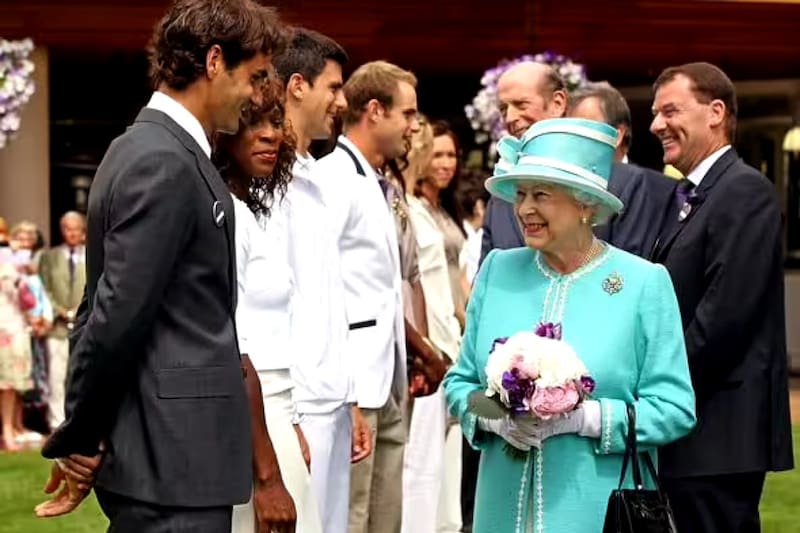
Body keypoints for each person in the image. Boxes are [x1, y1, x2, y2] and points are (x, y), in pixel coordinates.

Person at [36, 2, 294, 531]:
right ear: (215, 61)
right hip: (171, 465)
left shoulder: (164, 150)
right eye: (255, 77)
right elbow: (112, 314)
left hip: (179, 463)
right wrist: (82, 436)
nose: (256, 95)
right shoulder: (161, 158)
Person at [444, 117, 697, 532]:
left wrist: (587, 420)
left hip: (596, 512)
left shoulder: (642, 283)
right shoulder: (497, 271)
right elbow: (460, 385)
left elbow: (673, 409)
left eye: (541, 194)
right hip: (501, 513)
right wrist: (495, 419)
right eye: (520, 193)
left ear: (585, 204)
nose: (524, 208)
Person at [650, 62, 794, 533]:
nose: (657, 125)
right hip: (693, 432)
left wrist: (656, 385)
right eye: (654, 113)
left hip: (719, 435)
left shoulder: (743, 190)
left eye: (670, 110)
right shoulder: (690, 196)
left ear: (715, 112)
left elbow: (724, 318)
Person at [312, 60, 419, 533]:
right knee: (352, 518)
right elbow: (321, 283)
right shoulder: (333, 177)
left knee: (385, 520)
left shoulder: (378, 181)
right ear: (374, 110)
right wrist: (349, 391)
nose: (414, 126)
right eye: (408, 113)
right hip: (354, 383)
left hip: (389, 375)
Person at [215, 76, 320, 533]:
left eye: (276, 122)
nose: (270, 133)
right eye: (251, 121)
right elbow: (232, 347)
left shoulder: (250, 210)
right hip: (249, 425)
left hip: (275, 413)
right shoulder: (227, 216)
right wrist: (268, 473)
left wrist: (290, 421)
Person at [272, 28, 355, 533]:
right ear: (298, 86)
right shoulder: (264, 178)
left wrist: (348, 398)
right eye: (335, 87)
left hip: (330, 399)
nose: (341, 102)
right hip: (297, 404)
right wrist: (289, 416)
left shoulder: (312, 172)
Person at [398, 117, 463, 533]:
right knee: (419, 466)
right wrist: (420, 346)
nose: (439, 160)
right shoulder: (404, 206)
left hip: (447, 337)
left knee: (445, 464)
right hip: (425, 343)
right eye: (430, 149)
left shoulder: (434, 209)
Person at [566, 83, 677, 258]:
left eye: (583, 130)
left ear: (616, 136)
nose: (572, 141)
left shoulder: (659, 190)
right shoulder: (565, 187)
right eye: (568, 132)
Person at [479, 61, 567, 264]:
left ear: (558, 103)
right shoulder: (500, 196)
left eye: (521, 105)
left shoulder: (596, 183)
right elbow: (485, 282)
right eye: (503, 109)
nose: (509, 117)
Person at [39, 212, 86, 431]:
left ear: (83, 230)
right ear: (62, 231)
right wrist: (58, 310)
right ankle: (56, 423)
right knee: (56, 377)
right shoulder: (50, 257)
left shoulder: (93, 254)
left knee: (80, 376)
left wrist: (79, 310)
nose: (72, 232)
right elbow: (43, 288)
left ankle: (79, 422)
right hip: (57, 327)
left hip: (84, 326)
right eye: (68, 228)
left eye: (76, 228)